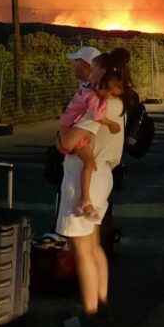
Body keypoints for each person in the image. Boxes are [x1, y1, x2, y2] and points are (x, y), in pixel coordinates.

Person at [54, 50, 133, 327]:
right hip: (104, 175)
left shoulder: (101, 104)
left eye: (90, 68)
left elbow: (68, 141)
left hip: (84, 177)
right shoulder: (119, 102)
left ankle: (89, 315)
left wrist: (62, 137)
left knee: (82, 248)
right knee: (95, 245)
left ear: (99, 71)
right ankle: (101, 304)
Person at [57, 72, 124, 218]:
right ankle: (85, 199)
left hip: (67, 126)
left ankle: (85, 200)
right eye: (111, 94)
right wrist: (111, 124)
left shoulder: (86, 90)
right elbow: (98, 116)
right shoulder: (93, 97)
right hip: (70, 128)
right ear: (102, 87)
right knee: (89, 162)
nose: (111, 98)